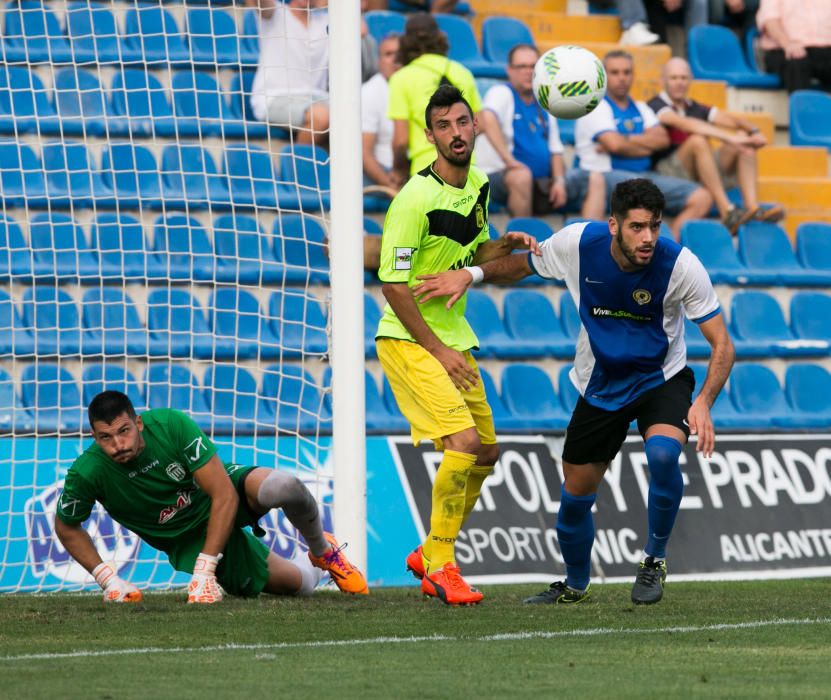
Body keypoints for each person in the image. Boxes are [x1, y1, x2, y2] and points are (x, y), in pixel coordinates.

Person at [412, 178, 735, 605]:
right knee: (574, 500)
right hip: (600, 383)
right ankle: (575, 584)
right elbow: (524, 266)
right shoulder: (578, 243)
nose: (648, 238)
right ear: (614, 224)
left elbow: (723, 344)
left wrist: (704, 402)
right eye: (637, 227)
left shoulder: (680, 265)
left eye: (655, 227)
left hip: (661, 378)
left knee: (662, 455)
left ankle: (653, 560)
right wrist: (470, 274)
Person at [375, 84, 540, 606]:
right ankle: (442, 564)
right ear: (430, 137)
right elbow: (394, 284)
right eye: (443, 126)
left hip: (452, 339)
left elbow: (475, 250)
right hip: (408, 340)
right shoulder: (413, 199)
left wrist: (502, 247)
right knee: (464, 445)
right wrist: (437, 351)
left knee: (488, 452)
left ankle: (430, 551)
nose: (455, 133)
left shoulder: (480, 185)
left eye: (462, 122)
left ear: (475, 126)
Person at [54, 391, 368, 604]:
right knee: (299, 585)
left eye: (124, 431)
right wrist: (108, 580)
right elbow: (67, 526)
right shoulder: (87, 472)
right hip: (188, 537)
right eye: (106, 438)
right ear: (94, 438)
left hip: (219, 495)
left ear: (139, 423)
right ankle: (314, 566)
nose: (118, 444)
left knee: (285, 485)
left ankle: (323, 550)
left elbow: (223, 493)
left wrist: (205, 571)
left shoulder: (171, 425)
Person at [575, 50, 712, 239]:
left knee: (701, 197)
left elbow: (662, 140)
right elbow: (615, 145)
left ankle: (665, 246)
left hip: (644, 178)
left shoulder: (641, 107)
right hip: (607, 178)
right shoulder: (595, 106)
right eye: (615, 73)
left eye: (627, 72)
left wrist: (625, 140)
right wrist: (641, 144)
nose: (622, 78)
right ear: (604, 76)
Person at [648, 57, 783, 233]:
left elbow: (730, 119)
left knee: (744, 145)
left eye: (683, 78)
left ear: (690, 80)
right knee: (699, 140)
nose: (679, 83)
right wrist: (730, 138)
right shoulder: (655, 104)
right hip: (667, 172)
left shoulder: (694, 106)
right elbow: (684, 123)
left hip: (697, 171)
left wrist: (753, 131)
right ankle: (727, 210)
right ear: (663, 80)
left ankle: (752, 208)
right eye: (674, 78)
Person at [475, 43, 606, 220]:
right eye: (521, 66)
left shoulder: (545, 100)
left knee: (594, 179)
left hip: (542, 182)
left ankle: (588, 241)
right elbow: (487, 118)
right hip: (501, 176)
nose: (528, 71)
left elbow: (556, 150)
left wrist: (559, 180)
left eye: (533, 67)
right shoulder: (502, 92)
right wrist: (509, 161)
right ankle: (522, 242)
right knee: (521, 176)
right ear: (509, 70)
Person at [388, 12, 518, 185]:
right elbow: (481, 124)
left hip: (426, 173)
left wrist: (398, 170)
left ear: (405, 43)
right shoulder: (462, 72)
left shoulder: (401, 78)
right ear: (440, 38)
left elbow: (400, 141)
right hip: (465, 171)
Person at [248, 0, 329, 147]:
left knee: (360, 113)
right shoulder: (276, 12)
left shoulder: (325, 19)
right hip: (275, 96)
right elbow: (260, 4)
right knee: (321, 116)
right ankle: (298, 168)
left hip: (317, 96)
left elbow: (361, 29)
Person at [757, 0, 831, 94]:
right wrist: (788, 44)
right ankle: (801, 108)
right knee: (796, 62)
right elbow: (770, 22)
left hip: (823, 48)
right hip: (783, 48)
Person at [362, 33, 401, 193]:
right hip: (381, 172)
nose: (395, 60)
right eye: (388, 54)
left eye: (400, 54)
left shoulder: (416, 87)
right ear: (379, 61)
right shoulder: (369, 93)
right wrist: (390, 187)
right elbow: (363, 153)